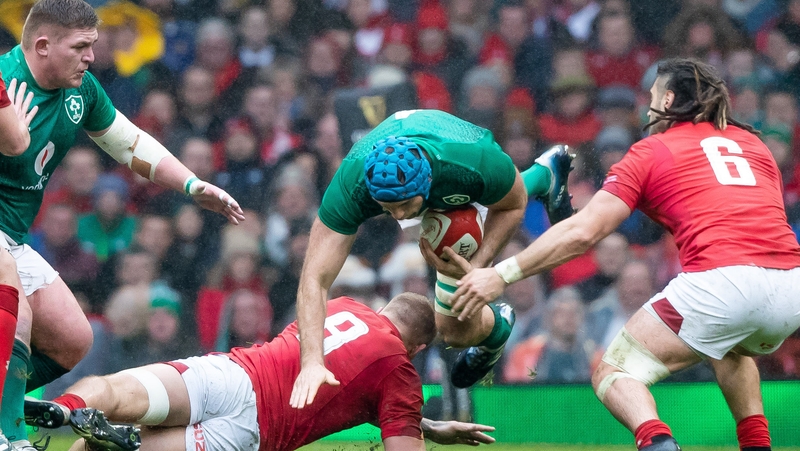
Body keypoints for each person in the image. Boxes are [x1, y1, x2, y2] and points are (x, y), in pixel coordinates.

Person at [449, 58, 800, 451]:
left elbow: (585, 232)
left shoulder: (652, 150)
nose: (646, 109)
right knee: (729, 347)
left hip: (723, 283)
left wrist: (501, 275)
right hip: (790, 288)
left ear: (668, 99)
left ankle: (658, 444)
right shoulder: (754, 145)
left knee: (614, 371)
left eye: (651, 98)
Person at [0, 1, 245, 449]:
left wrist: (191, 185)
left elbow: (129, 143)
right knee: (18, 315)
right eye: (81, 47)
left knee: (74, 340)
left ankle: (4, 404)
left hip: (10, 237)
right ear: (42, 45)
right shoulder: (2, 81)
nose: (91, 56)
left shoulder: (83, 92)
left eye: (92, 46)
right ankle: (8, 434)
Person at [290, 108, 575, 409]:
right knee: (456, 329)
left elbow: (513, 203)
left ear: (426, 182)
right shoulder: (351, 186)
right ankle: (545, 174)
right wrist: (312, 362)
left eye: (403, 205)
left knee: (454, 330)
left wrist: (477, 267)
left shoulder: (471, 161)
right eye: (387, 206)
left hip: (454, 161)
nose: (398, 216)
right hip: (423, 175)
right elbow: (314, 278)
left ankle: (543, 174)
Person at [25, 293, 496, 451]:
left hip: (232, 371)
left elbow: (347, 385)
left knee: (113, 392)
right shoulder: (400, 371)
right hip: (252, 428)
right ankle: (121, 440)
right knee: (127, 449)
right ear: (418, 347)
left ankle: (63, 407)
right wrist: (419, 429)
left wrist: (428, 427)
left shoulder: (344, 306)